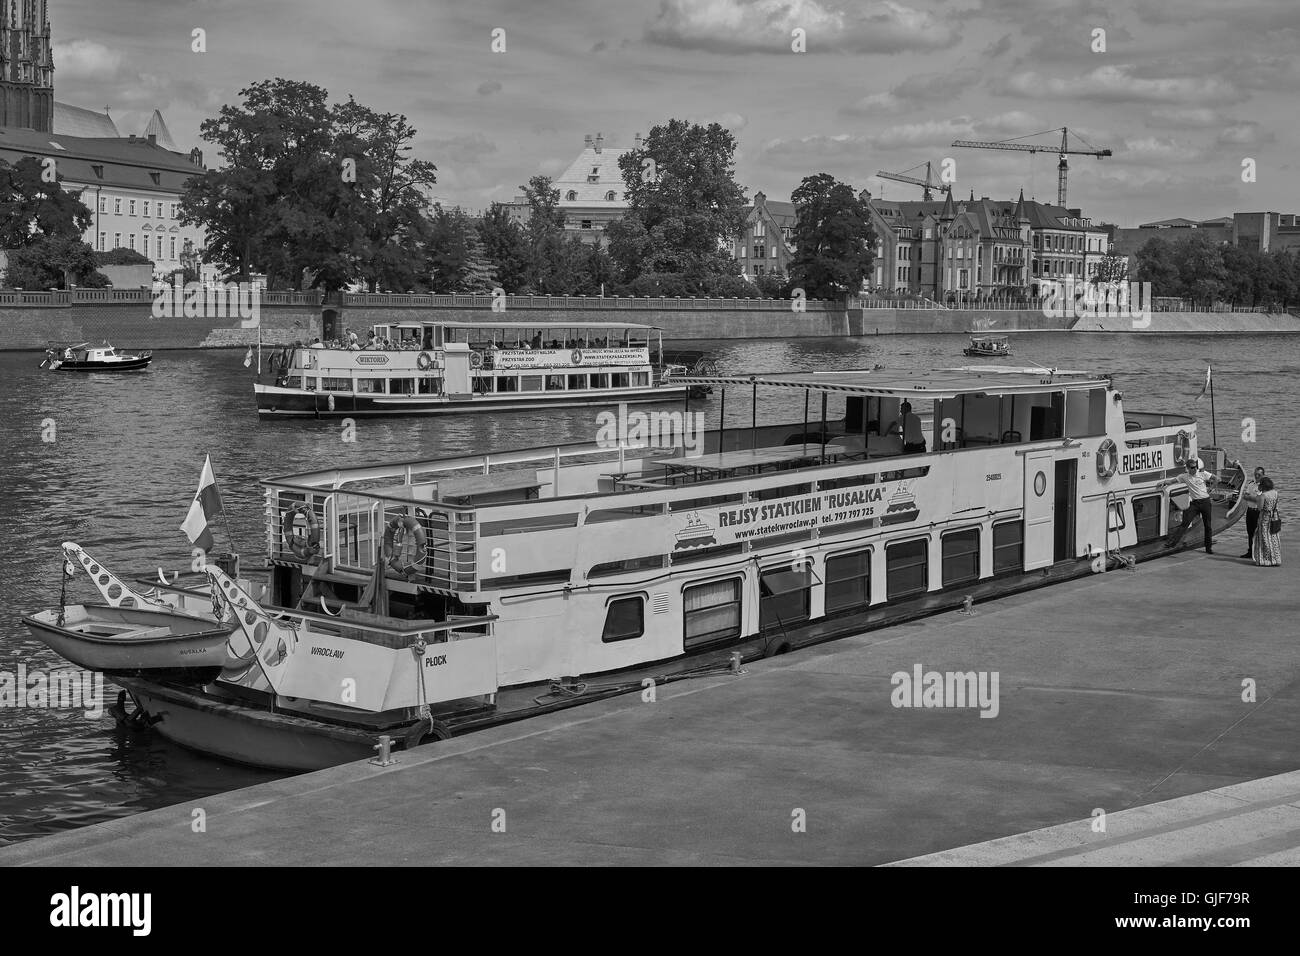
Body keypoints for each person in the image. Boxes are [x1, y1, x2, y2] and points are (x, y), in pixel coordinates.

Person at [1165, 458, 1218, 554]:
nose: (1195, 469)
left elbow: (1217, 479)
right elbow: (1172, 481)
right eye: (1192, 467)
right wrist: (1164, 482)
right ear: (1188, 468)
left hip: (1205, 502)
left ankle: (1208, 548)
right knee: (1185, 523)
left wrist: (1211, 489)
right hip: (1195, 504)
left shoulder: (1202, 473)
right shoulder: (1184, 477)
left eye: (1195, 467)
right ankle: (1172, 544)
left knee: (1208, 526)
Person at [1248, 476, 1281, 567]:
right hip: (1274, 516)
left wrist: (1257, 496)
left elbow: (1260, 507)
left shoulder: (1263, 495)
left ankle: (1266, 560)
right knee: (1273, 537)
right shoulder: (1275, 493)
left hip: (1265, 518)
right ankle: (1276, 558)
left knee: (1264, 538)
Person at [1236, 465, 1266, 558]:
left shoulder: (1264, 486)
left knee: (1260, 533)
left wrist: (1251, 498)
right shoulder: (1251, 484)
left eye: (1259, 475)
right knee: (1250, 532)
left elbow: (1260, 500)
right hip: (1250, 511)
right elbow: (1245, 496)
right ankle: (1250, 551)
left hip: (1258, 512)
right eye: (1255, 474)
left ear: (1263, 475)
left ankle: (1260, 552)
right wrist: (1252, 498)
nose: (1257, 476)